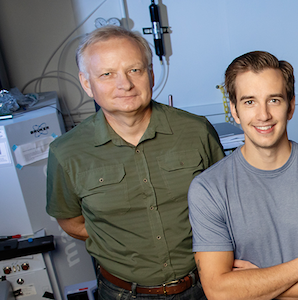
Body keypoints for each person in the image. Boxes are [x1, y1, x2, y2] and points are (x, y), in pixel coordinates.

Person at [46, 25, 224, 299]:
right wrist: (115, 240)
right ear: (86, 83)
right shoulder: (66, 152)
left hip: (205, 285)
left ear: (150, 74)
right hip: (122, 292)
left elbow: (226, 202)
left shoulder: (196, 130)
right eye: (107, 74)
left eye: (135, 70)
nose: (124, 85)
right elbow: (69, 220)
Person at [187, 50, 298, 300]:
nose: (263, 115)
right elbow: (219, 291)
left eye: (274, 100)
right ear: (235, 111)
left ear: (290, 106)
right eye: (250, 101)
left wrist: (256, 286)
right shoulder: (208, 189)